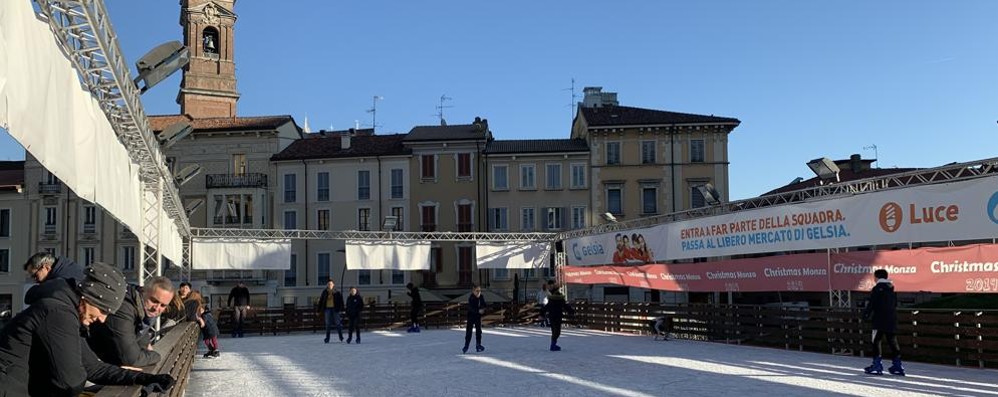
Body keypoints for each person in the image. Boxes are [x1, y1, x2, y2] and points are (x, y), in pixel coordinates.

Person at [0, 262, 175, 396]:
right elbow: (70, 382)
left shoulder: (71, 313)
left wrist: (143, 378)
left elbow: (93, 368)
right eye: (103, 310)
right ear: (89, 297)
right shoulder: (57, 312)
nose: (102, 318)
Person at [87, 276, 175, 367]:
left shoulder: (141, 309)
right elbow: (131, 359)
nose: (156, 308)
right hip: (88, 362)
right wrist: (156, 356)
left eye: (163, 305)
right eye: (154, 301)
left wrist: (143, 353)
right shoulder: (124, 307)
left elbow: (141, 343)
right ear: (143, 291)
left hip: (100, 361)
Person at [863, 269, 904, 376]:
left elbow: (872, 303)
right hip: (891, 319)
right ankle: (898, 365)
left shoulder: (876, 289)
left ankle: (877, 365)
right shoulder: (891, 289)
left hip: (879, 320)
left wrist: (866, 314)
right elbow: (894, 304)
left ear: (877, 277)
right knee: (892, 341)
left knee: (876, 341)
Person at [541, 283, 574, 351]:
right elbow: (566, 306)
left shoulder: (551, 299)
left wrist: (542, 313)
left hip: (552, 316)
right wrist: (571, 311)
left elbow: (546, 307)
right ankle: (553, 345)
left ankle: (553, 345)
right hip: (558, 316)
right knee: (557, 331)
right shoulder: (560, 298)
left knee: (554, 331)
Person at [462, 285, 487, 354]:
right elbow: (471, 308)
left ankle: (478, 345)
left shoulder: (481, 297)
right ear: (473, 291)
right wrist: (478, 310)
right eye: (477, 291)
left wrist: (483, 309)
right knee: (469, 332)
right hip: (471, 316)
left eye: (480, 290)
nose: (479, 292)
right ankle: (466, 346)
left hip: (478, 317)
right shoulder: (471, 298)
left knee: (479, 331)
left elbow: (484, 305)